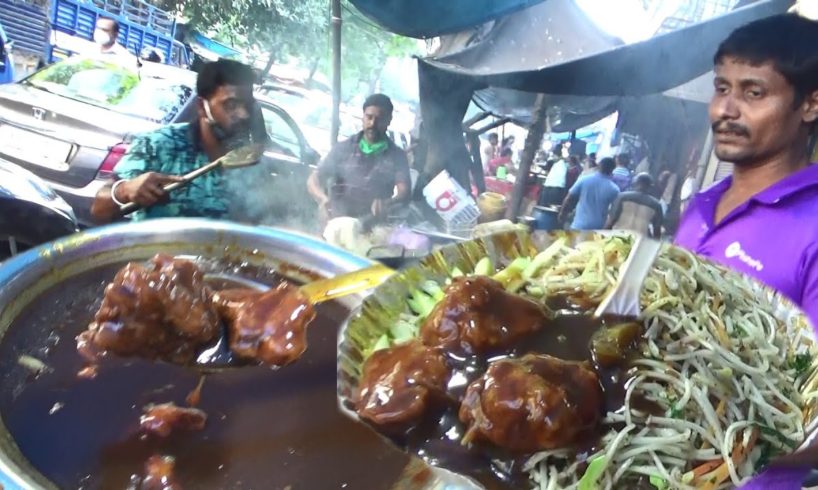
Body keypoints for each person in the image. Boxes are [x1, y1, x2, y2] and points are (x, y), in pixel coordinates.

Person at [675, 16, 818, 487]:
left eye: (753, 93)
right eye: (721, 88)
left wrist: (698, 439)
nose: (724, 110)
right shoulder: (700, 207)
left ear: (810, 103)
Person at [90, 59, 260, 222]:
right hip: (152, 251)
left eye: (247, 105)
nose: (244, 114)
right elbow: (98, 211)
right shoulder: (158, 144)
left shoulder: (250, 161)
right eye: (231, 105)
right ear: (202, 107)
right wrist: (124, 190)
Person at [307, 93, 411, 224]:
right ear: (363, 117)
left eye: (379, 119)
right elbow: (314, 179)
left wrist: (388, 202)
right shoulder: (343, 148)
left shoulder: (397, 156)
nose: (373, 123)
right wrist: (322, 199)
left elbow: (404, 193)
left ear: (389, 120)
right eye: (369, 117)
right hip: (336, 224)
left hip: (371, 229)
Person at [558, 157, 620, 230]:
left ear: (599, 166)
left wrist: (562, 214)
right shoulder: (614, 189)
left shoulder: (584, 179)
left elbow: (569, 198)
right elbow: (615, 212)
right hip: (598, 228)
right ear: (612, 169)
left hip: (579, 225)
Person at [606, 173, 664, 238]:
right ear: (650, 187)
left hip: (618, 237)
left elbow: (611, 220)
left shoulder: (622, 197)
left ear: (635, 183)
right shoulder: (656, 205)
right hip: (639, 242)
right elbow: (657, 231)